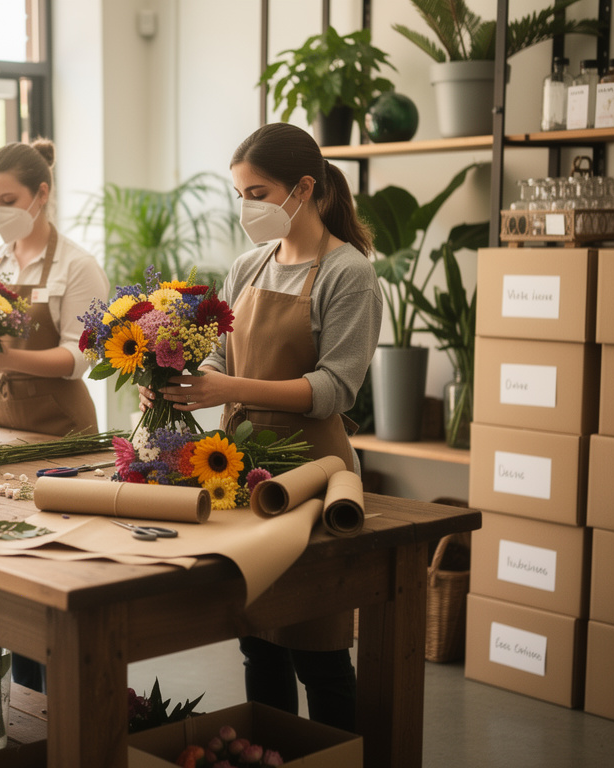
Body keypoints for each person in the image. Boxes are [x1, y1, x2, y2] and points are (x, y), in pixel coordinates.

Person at [141, 122, 382, 731]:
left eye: (258, 193)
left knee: (319, 649)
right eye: (241, 194)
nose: (246, 206)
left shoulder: (348, 273)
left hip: (311, 478)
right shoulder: (249, 266)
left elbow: (335, 390)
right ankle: (269, 748)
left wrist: (229, 389)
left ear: (304, 189)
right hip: (243, 471)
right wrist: (179, 384)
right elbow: (223, 360)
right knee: (259, 640)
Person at [0, 137, 110, 692]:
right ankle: (27, 712)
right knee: (11, 581)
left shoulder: (79, 267)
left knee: (54, 579)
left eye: (9, 199)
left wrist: (1, 356)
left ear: (41, 195)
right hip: (0, 433)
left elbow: (79, 358)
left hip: (62, 438)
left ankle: (65, 707)